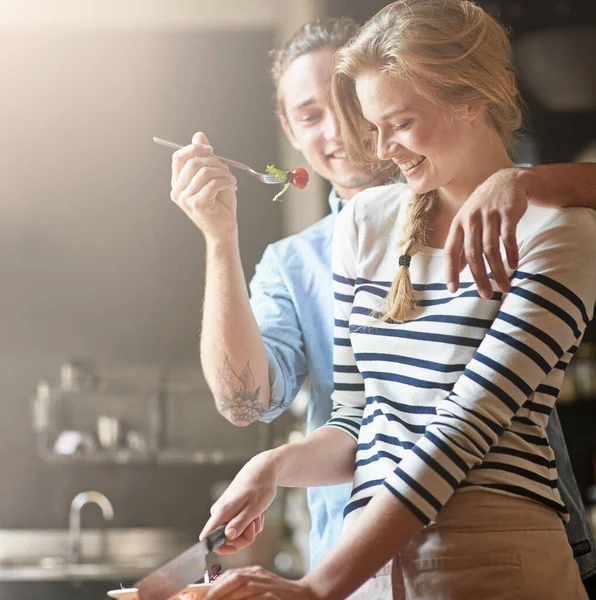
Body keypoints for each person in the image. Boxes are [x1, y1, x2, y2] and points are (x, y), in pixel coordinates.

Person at [169, 15, 596, 594]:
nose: (375, 146)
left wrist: (319, 587)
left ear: (470, 99)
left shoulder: (557, 228)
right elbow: (357, 419)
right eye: (374, 125)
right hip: (365, 571)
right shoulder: (365, 227)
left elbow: (463, 431)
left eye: (398, 123)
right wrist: (269, 467)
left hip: (495, 560)